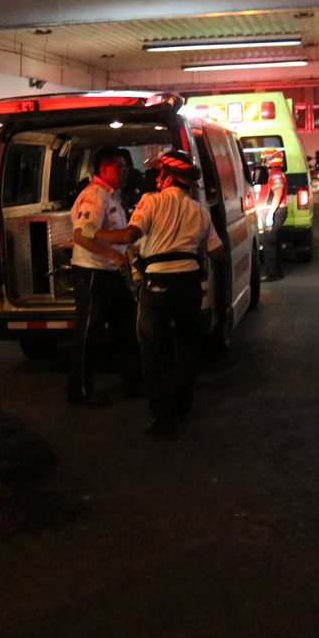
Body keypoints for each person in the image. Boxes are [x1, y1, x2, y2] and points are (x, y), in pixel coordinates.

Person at [88, 149, 223, 440]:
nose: (157, 177)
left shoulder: (151, 201)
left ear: (169, 177)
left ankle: (163, 419)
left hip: (157, 286)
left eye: (160, 172)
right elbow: (217, 252)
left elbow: (129, 236)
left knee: (154, 352)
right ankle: (182, 404)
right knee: (186, 347)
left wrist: (94, 233)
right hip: (189, 286)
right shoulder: (199, 210)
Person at [66, 147, 141, 407]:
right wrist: (113, 255)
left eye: (126, 167)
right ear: (104, 168)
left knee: (128, 325)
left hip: (109, 272)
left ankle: (134, 382)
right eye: (120, 167)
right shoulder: (94, 196)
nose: (125, 172)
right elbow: (81, 235)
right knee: (88, 332)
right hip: (92, 272)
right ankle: (80, 392)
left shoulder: (111, 196)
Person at [257, 149, 288, 281]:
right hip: (276, 211)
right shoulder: (274, 174)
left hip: (275, 212)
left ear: (270, 160)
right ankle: (278, 272)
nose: (262, 162)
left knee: (269, 242)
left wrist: (270, 214)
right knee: (274, 242)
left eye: (264, 159)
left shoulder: (275, 175)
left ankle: (272, 273)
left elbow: (278, 193)